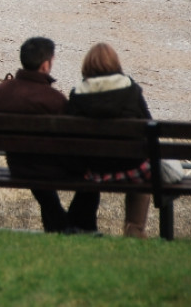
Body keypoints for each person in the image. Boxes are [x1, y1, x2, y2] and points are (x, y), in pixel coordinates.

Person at [0, 37, 99, 234]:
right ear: (46, 65)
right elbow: (72, 140)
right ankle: (77, 227)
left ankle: (61, 226)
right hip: (49, 168)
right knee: (93, 178)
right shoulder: (55, 100)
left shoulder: (1, 92)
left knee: (38, 172)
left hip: (17, 165)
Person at [68, 43, 152, 238]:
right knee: (143, 172)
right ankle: (135, 228)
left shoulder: (77, 95)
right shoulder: (131, 90)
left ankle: (83, 224)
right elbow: (148, 126)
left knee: (92, 160)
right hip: (131, 168)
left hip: (92, 170)